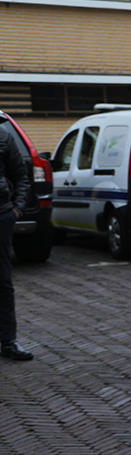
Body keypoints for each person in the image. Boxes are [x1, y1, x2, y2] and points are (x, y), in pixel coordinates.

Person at [0, 120, 32, 360]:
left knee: (3, 280)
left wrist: (16, 210)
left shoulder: (3, 135)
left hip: (1, 215)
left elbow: (20, 175)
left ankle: (8, 341)